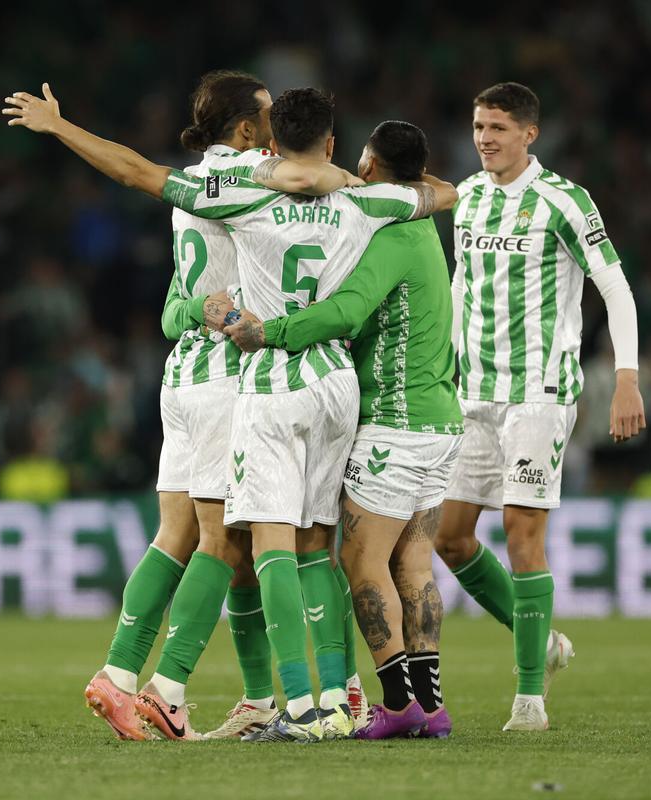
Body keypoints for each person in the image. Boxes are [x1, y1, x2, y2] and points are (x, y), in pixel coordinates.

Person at [5, 83, 456, 741]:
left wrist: (60, 126)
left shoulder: (236, 189)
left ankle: (262, 700)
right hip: (328, 376)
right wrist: (347, 172)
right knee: (308, 547)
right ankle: (329, 696)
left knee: (242, 542)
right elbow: (442, 192)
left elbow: (135, 173)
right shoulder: (361, 197)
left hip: (249, 375)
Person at [225, 121, 462, 739]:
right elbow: (448, 190)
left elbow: (345, 311)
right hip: (439, 420)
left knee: (360, 561)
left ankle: (395, 700)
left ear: (377, 167)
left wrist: (271, 331)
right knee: (414, 566)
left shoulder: (392, 238)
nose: (354, 170)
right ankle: (429, 708)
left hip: (395, 424)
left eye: (363, 161)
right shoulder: (421, 227)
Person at [435, 82, 645, 731]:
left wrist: (627, 378)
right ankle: (547, 643)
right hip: (472, 394)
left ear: (530, 133)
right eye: (477, 127)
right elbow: (458, 285)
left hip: (539, 394)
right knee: (450, 536)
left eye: (497, 128)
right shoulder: (464, 198)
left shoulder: (564, 202)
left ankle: (530, 700)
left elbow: (616, 288)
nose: (484, 139)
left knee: (524, 533)